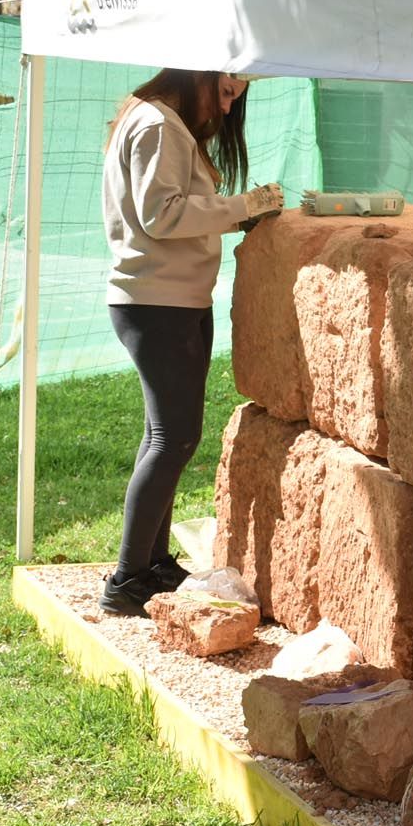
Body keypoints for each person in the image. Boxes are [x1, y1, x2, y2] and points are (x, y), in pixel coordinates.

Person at [99, 69, 283, 617]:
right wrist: (243, 206)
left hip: (172, 300)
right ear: (202, 73)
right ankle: (128, 578)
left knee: (167, 436)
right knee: (172, 439)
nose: (227, 110)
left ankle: (151, 564)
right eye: (227, 93)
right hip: (158, 304)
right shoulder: (158, 124)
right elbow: (163, 214)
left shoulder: (155, 118)